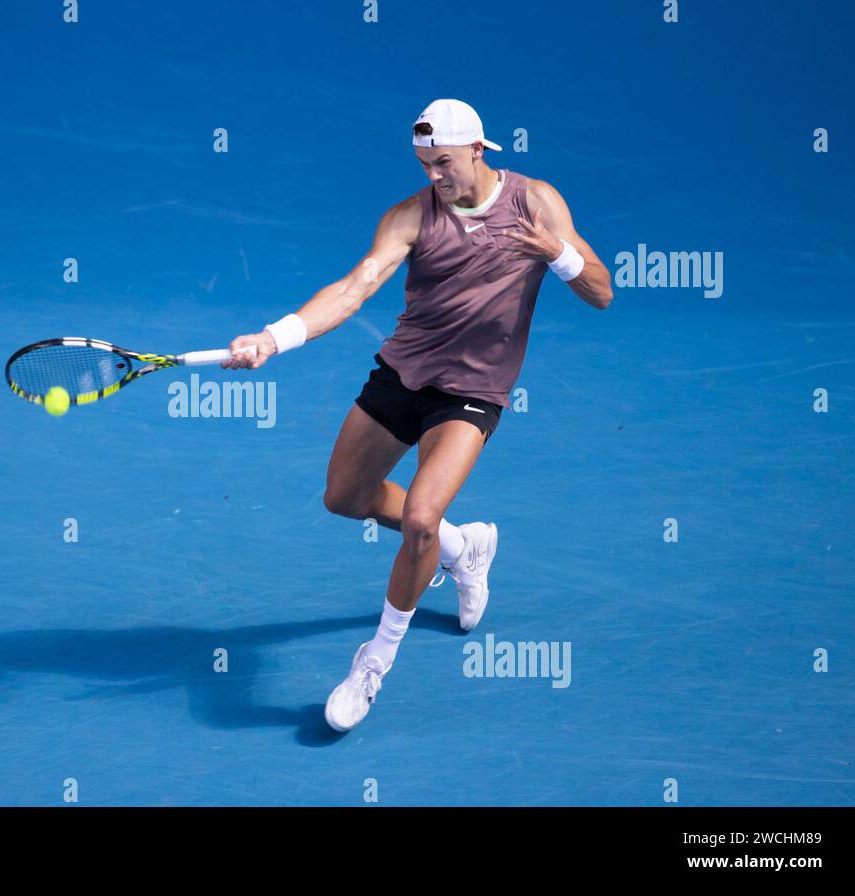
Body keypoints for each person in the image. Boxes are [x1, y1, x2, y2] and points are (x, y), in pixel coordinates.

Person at [223, 99, 613, 731]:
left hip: (474, 390)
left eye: (445, 162)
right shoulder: (410, 216)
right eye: (425, 163)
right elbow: (355, 287)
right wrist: (274, 336)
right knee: (344, 498)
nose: (434, 175)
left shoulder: (537, 202)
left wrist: (556, 254)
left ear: (479, 151)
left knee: (421, 520)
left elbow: (601, 292)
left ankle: (371, 665)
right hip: (403, 373)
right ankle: (467, 548)